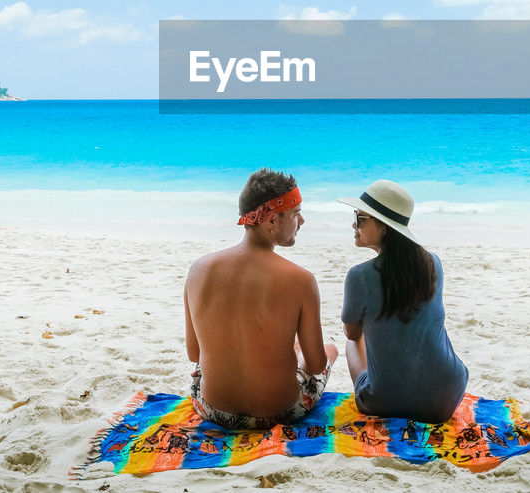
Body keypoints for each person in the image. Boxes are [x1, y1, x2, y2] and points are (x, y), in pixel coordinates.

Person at [183, 168, 338, 428]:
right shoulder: (301, 280)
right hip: (278, 414)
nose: (302, 222)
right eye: (296, 213)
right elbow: (315, 364)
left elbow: (194, 353)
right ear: (271, 220)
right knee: (329, 350)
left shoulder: (198, 269)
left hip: (213, 410)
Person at [339, 179, 468, 423]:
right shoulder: (433, 263)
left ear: (385, 227)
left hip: (384, 402)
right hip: (446, 398)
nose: (353, 224)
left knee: (352, 342)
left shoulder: (359, 275)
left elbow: (352, 333)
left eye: (361, 218)